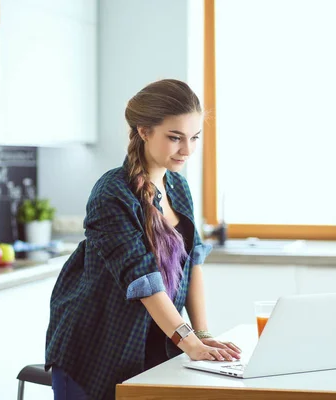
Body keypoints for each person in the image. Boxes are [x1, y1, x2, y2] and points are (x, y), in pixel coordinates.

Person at [45, 79, 242, 400]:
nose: (187, 150)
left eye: (194, 138)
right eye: (175, 138)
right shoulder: (112, 192)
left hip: (154, 347)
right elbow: (143, 280)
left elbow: (193, 265)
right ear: (144, 131)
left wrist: (202, 335)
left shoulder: (179, 187)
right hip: (96, 349)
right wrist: (189, 341)